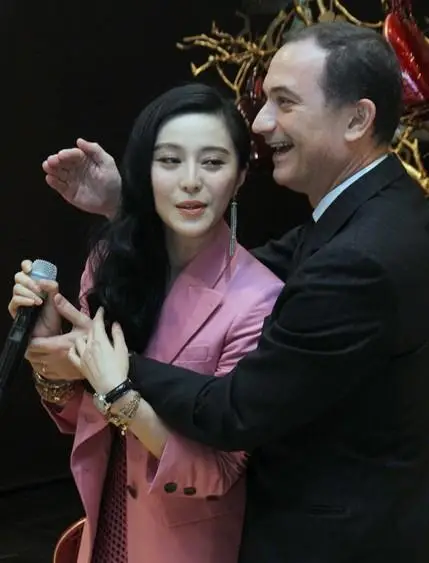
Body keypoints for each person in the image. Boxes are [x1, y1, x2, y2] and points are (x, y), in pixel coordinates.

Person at [40, 21, 429, 562]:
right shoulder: (372, 208)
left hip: (324, 539)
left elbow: (233, 413)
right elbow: (227, 260)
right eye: (168, 161)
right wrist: (133, 209)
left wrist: (108, 363)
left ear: (357, 119)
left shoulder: (358, 256)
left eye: (284, 102)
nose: (262, 122)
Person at [9, 83, 283, 563]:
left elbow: (218, 471)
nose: (191, 181)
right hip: (103, 527)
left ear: (240, 175)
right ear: (144, 171)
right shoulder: (112, 261)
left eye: (213, 162)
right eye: (170, 161)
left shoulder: (258, 299)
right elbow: (82, 417)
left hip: (184, 546)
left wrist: (121, 394)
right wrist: (48, 353)